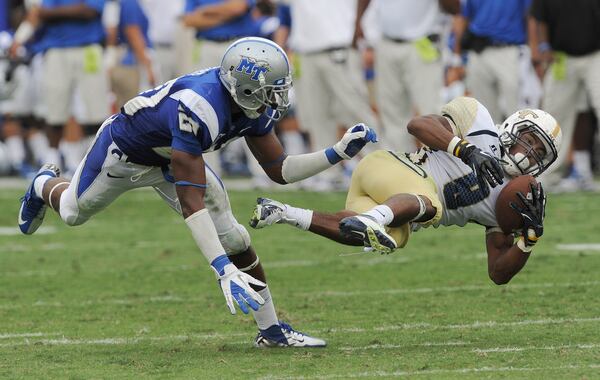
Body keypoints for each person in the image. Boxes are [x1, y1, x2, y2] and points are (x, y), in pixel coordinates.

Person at [17, 37, 377, 347]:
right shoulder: (199, 105)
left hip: (174, 160)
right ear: (246, 88)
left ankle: (271, 331)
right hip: (124, 152)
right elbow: (191, 202)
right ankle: (41, 183)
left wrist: (337, 152)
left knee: (235, 237)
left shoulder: (250, 106)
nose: (280, 96)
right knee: (71, 212)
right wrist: (222, 269)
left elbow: (278, 170)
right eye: (272, 88)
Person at [251, 96, 562, 285]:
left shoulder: (514, 199)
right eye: (529, 139)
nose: (528, 153)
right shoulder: (478, 122)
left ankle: (283, 212)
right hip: (386, 168)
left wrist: (528, 240)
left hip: (393, 203)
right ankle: (376, 217)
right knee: (431, 206)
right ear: (513, 127)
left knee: (390, 237)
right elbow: (418, 125)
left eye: (539, 152)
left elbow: (498, 273)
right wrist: (466, 150)